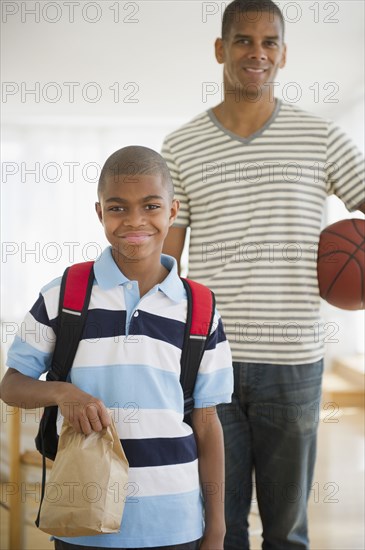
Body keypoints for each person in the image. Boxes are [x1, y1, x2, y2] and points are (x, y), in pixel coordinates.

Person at [161, 1, 365, 549]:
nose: (257, 52)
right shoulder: (181, 147)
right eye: (244, 41)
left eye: (269, 42)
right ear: (220, 49)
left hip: (294, 363)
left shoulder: (321, 138)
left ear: (283, 53)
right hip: (210, 360)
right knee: (217, 528)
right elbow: (164, 264)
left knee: (287, 532)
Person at [0, 146, 234, 550]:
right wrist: (62, 392)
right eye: (118, 208)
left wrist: (216, 528)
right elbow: (11, 385)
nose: (135, 221)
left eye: (151, 206)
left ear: (173, 211)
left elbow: (207, 423)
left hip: (176, 522)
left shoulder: (201, 308)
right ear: (99, 213)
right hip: (83, 519)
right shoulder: (63, 294)